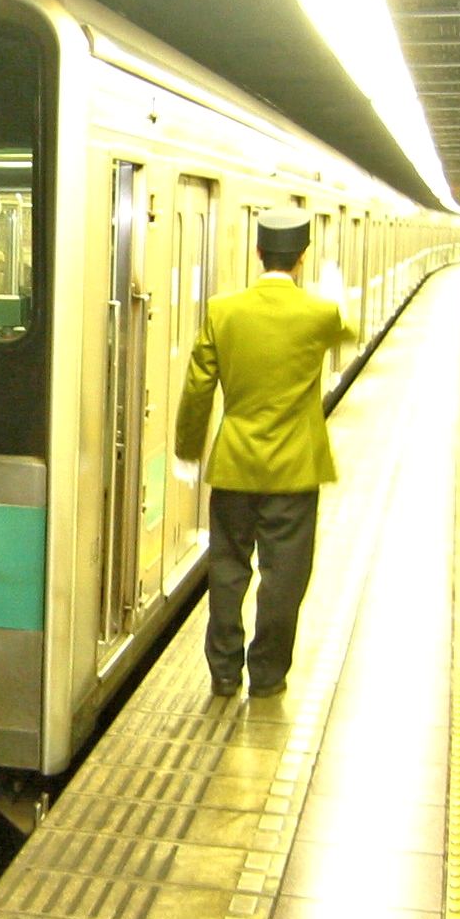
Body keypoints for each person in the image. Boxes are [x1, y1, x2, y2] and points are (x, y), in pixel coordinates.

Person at [173, 207, 355, 699]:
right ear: (302, 257)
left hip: (234, 465)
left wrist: (187, 450)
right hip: (295, 472)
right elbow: (349, 332)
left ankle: (224, 672)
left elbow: (197, 387)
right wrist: (334, 295)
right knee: (285, 577)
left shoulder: (223, 310)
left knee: (229, 569)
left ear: (258, 252)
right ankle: (268, 675)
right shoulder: (319, 314)